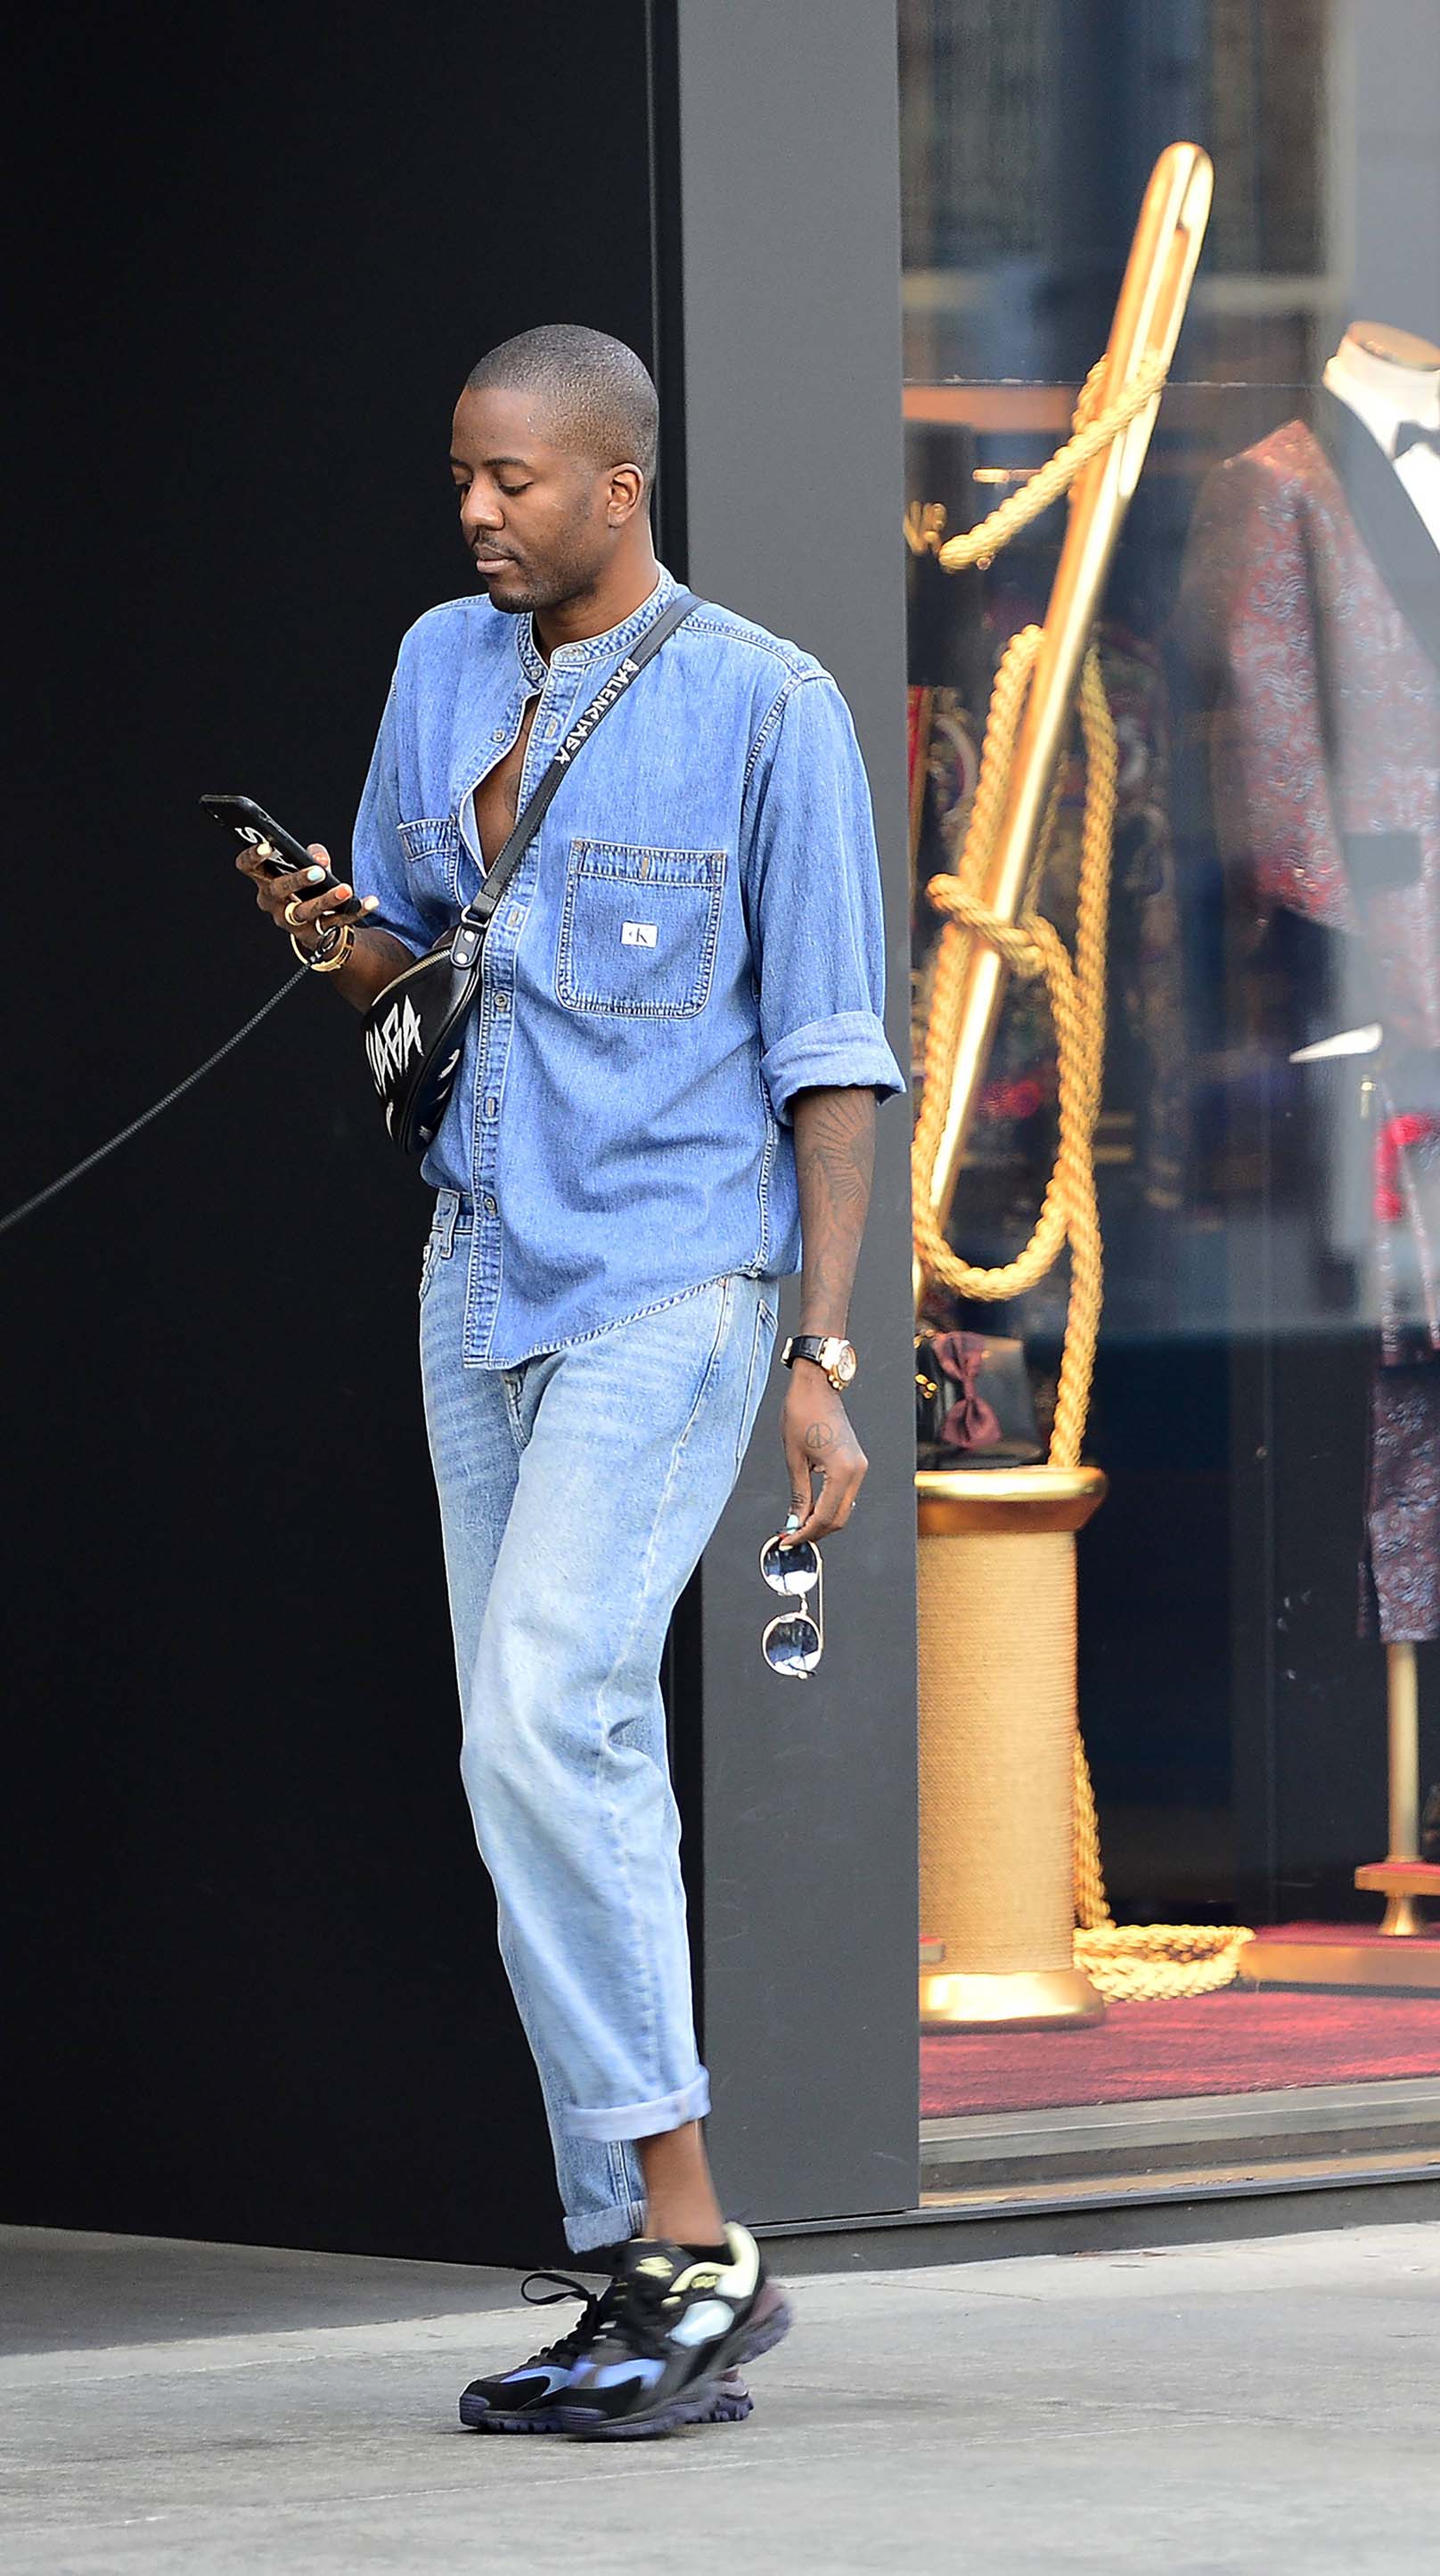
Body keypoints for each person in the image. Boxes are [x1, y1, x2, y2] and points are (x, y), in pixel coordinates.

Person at [233, 325, 900, 2439]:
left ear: (620, 485)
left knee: (546, 1713)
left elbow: (834, 1062)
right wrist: (325, 929)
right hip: (476, 1271)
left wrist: (820, 1352)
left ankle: (694, 2236)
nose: (478, 513)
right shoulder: (443, 665)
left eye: (514, 479)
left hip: (674, 1286)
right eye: (460, 478)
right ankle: (633, 2254)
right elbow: (409, 978)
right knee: (536, 1752)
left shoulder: (768, 708)